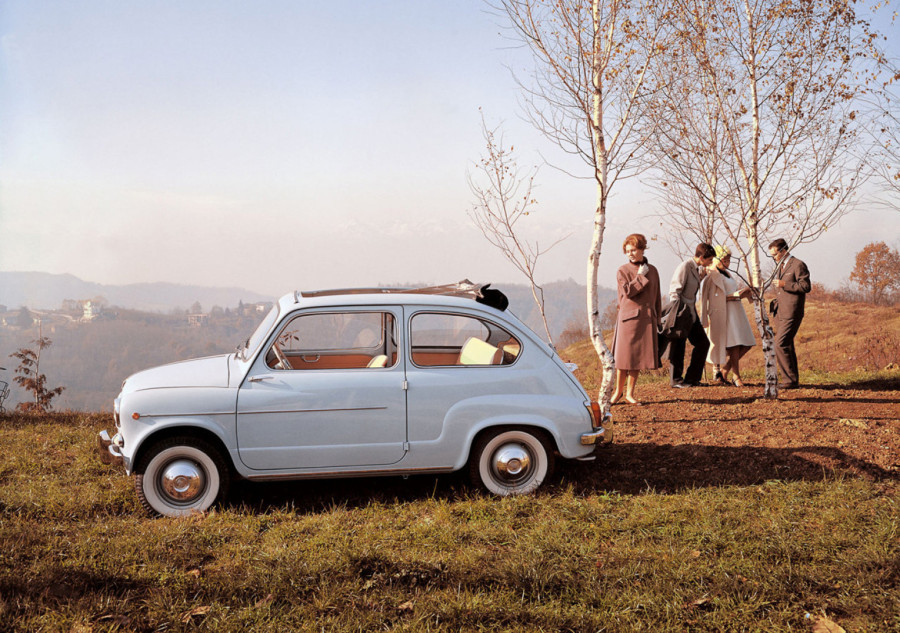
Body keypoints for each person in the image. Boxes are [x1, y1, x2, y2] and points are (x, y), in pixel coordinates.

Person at [610, 233, 661, 405]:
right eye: (627, 251)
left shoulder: (653, 270)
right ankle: (618, 392)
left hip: (647, 320)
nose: (630, 253)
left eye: (633, 250)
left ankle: (630, 394)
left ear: (642, 249)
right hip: (628, 320)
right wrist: (640, 276)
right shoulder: (622, 270)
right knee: (623, 358)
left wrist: (658, 317)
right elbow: (628, 292)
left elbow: (657, 296)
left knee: (637, 359)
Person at [699, 245, 755, 386]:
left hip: (736, 311)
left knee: (746, 342)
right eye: (724, 259)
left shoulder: (727, 273)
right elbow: (714, 298)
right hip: (724, 312)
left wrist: (744, 293)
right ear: (717, 258)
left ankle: (725, 370)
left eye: (729, 260)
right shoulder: (712, 274)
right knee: (734, 344)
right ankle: (736, 376)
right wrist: (736, 295)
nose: (727, 263)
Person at [661, 242, 715, 388]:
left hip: (691, 314)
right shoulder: (685, 266)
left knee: (703, 343)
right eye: (709, 260)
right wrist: (678, 313)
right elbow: (675, 291)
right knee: (679, 345)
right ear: (702, 257)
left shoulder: (696, 268)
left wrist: (701, 277)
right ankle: (676, 380)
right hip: (682, 312)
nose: (710, 263)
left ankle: (692, 378)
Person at [768, 238, 811, 389]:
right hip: (780, 312)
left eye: (775, 255)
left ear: (783, 251)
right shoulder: (780, 265)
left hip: (792, 311)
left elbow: (805, 286)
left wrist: (785, 284)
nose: (773, 258)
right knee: (787, 344)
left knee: (780, 343)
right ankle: (792, 380)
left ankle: (788, 381)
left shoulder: (798, 264)